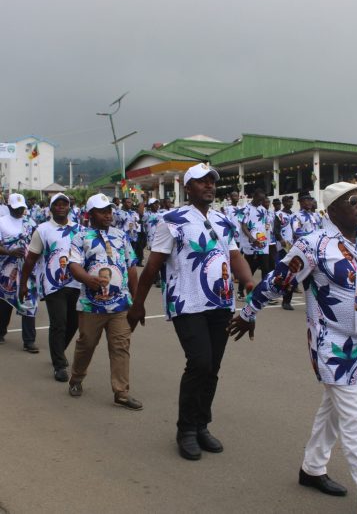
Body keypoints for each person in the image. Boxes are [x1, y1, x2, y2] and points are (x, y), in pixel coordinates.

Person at [228, 182, 357, 514]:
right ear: (332, 210)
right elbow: (278, 280)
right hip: (331, 345)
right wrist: (248, 312)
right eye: (353, 201)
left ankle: (312, 468)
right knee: (355, 420)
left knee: (333, 408)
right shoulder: (313, 245)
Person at [127, 163, 254, 461]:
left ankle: (201, 425)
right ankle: (185, 430)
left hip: (221, 303)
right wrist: (138, 304)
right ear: (187, 188)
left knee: (212, 367)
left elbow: (235, 256)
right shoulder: (171, 221)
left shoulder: (223, 220)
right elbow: (153, 266)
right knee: (199, 363)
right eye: (201, 181)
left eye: (212, 181)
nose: (209, 185)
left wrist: (249, 281)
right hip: (186, 303)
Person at [66, 193, 142, 410]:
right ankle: (76, 378)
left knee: (120, 346)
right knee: (87, 344)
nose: (108, 215)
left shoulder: (121, 236)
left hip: (120, 304)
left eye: (109, 210)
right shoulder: (81, 237)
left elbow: (131, 267)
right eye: (102, 211)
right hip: (92, 305)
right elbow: (74, 264)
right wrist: (87, 279)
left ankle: (121, 392)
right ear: (91, 214)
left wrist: (137, 301)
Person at [19, 193, 82, 381]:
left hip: (77, 283)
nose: (61, 207)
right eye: (57, 204)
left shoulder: (79, 229)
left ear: (69, 207)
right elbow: (30, 259)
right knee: (59, 323)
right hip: (53, 284)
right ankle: (59, 365)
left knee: (73, 323)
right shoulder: (42, 230)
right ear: (51, 208)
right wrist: (23, 284)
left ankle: (58, 350)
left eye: (65, 204)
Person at [0, 193, 38, 351]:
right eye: (16, 208)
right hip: (7, 270)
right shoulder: (1, 222)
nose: (20, 211)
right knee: (5, 303)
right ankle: (1, 331)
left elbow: (38, 243)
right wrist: (10, 252)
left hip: (27, 269)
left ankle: (29, 341)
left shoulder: (30, 222)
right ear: (9, 207)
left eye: (22, 208)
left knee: (29, 302)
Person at [238, 188, 270, 301]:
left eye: (262, 200)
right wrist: (252, 239)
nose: (261, 202)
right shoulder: (245, 209)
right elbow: (243, 226)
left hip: (262, 243)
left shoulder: (263, 210)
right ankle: (240, 291)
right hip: (250, 243)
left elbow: (265, 224)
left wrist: (264, 237)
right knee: (249, 269)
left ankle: (264, 293)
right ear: (254, 196)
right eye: (259, 199)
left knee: (265, 268)